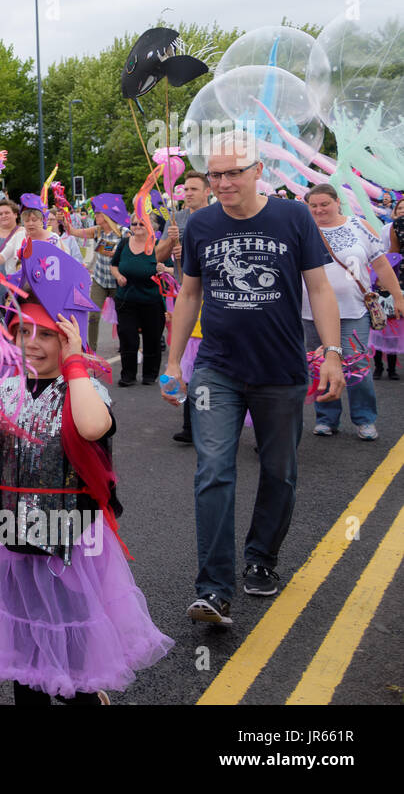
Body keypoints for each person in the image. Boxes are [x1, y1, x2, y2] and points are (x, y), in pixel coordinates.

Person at [0, 243, 171, 704]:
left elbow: (92, 425)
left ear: (69, 338)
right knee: (23, 647)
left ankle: (84, 691)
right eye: (25, 333)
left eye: (48, 335)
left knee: (74, 637)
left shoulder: (85, 386)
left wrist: (77, 362)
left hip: (73, 537)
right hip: (11, 535)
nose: (34, 344)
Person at [163, 132, 344, 626]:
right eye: (215, 174)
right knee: (213, 470)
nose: (222, 182)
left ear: (258, 170)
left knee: (279, 471)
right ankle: (213, 588)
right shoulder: (199, 224)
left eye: (232, 173)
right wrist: (173, 361)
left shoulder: (293, 217)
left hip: (281, 372)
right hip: (217, 370)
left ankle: (261, 559)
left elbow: (320, 289)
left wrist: (331, 353)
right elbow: (189, 295)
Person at [301, 185, 404, 440]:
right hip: (311, 313)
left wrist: (398, 296)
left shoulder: (358, 226)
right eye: (313, 205)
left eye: (324, 204)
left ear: (338, 202)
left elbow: (381, 263)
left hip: (353, 310)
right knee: (319, 365)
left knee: (357, 365)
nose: (318, 210)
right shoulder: (303, 229)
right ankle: (326, 418)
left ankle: (364, 419)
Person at [155, 173, 211, 442]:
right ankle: (191, 425)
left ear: (207, 191)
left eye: (193, 189)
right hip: (185, 297)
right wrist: (171, 240)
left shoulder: (219, 216)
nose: (187, 193)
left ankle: (216, 423)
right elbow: (158, 255)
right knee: (187, 362)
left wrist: (187, 251)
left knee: (207, 362)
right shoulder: (176, 219)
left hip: (212, 299)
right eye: (185, 189)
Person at [65, 193, 129, 348]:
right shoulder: (97, 230)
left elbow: (128, 253)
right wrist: (65, 218)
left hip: (118, 280)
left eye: (98, 213)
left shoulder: (124, 232)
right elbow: (73, 232)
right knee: (92, 316)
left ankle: (128, 346)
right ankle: (91, 350)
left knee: (124, 317)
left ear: (106, 215)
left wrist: (109, 249)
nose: (96, 216)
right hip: (100, 280)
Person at [111, 218, 167, 387]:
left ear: (151, 226)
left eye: (141, 223)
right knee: (128, 336)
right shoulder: (124, 243)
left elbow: (173, 269)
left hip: (152, 300)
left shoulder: (158, 245)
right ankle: (128, 375)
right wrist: (118, 276)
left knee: (152, 338)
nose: (136, 227)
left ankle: (150, 375)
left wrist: (164, 269)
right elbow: (113, 265)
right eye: (134, 224)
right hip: (126, 299)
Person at [374, 198, 404, 378]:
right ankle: (383, 366)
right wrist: (386, 280)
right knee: (392, 321)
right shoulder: (397, 225)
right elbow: (393, 253)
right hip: (401, 275)